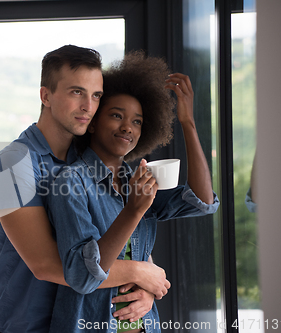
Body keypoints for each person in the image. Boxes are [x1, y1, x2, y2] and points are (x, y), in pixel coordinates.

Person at [0, 46, 171, 333]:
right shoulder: (13, 164)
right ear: (46, 96)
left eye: (96, 95)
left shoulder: (90, 162)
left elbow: (122, 238)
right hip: (25, 326)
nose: (88, 106)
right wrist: (140, 273)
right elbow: (45, 264)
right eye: (76, 92)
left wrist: (144, 287)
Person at [46, 51, 220, 333]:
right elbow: (82, 274)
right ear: (92, 122)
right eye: (116, 116)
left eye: (137, 121)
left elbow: (202, 202)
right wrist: (134, 209)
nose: (128, 127)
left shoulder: (138, 182)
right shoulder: (70, 182)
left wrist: (188, 122)